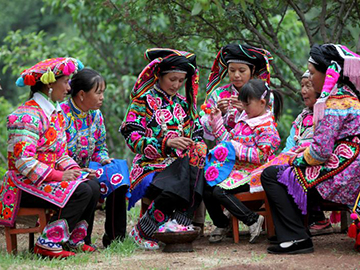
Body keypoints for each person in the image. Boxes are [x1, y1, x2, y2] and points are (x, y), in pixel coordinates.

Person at [261, 44, 360, 254]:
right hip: (351, 167)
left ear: (329, 73)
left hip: (345, 175)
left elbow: (319, 153)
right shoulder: (349, 96)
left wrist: (292, 160)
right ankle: (300, 232)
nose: (311, 79)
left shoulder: (335, 102)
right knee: (286, 174)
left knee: (273, 175)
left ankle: (296, 238)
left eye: (313, 73)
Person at [0, 58, 100, 258]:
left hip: (43, 179)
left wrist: (76, 171)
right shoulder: (25, 116)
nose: (68, 87)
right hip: (22, 183)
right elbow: (23, 162)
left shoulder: (54, 113)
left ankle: (74, 239)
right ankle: (48, 242)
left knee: (92, 185)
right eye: (65, 81)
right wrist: (59, 176)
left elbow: (60, 154)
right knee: (80, 191)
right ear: (49, 83)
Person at [120, 48, 207, 250]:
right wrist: (166, 143)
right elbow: (133, 139)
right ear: (158, 75)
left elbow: (197, 133)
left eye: (181, 80)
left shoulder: (185, 105)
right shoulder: (141, 101)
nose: (177, 85)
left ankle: (173, 223)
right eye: (172, 79)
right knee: (183, 180)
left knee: (198, 166)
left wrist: (195, 144)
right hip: (150, 165)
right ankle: (145, 230)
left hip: (182, 164)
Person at [203, 79, 283, 244]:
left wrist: (237, 149)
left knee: (220, 191)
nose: (244, 109)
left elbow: (261, 156)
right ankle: (223, 224)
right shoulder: (244, 119)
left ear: (262, 103)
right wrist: (217, 121)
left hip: (255, 172)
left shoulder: (267, 127)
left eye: (247, 105)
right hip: (236, 170)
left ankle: (252, 220)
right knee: (206, 184)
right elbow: (228, 142)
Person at [60, 68, 130, 248]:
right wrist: (77, 170)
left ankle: (115, 238)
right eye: (98, 92)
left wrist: (104, 159)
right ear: (82, 94)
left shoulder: (96, 115)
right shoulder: (61, 115)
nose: (102, 97)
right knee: (92, 184)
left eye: (103, 93)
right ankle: (82, 238)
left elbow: (100, 147)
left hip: (89, 167)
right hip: (66, 171)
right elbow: (57, 153)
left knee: (118, 174)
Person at [201, 44, 273, 140]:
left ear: (253, 70)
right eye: (232, 70)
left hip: (254, 151)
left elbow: (269, 125)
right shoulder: (218, 94)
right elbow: (204, 130)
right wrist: (220, 113)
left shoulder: (264, 94)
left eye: (242, 71)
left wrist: (247, 110)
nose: (236, 75)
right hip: (223, 153)